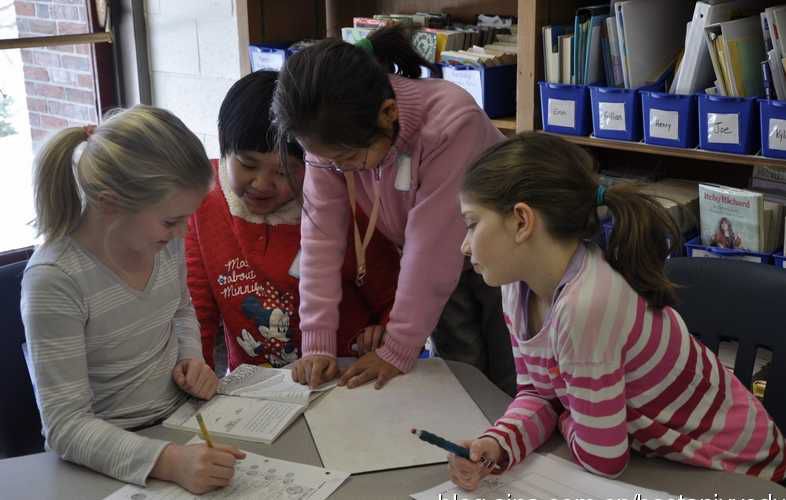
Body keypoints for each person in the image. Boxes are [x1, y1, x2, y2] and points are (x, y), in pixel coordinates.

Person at [449, 132, 786, 490]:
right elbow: (538, 395)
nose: (464, 246)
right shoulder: (515, 288)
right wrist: (499, 444)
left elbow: (603, 459)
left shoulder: (586, 307)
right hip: (663, 459)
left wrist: (562, 415)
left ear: (521, 221)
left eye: (472, 224)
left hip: (737, 469)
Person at [272, 25, 515, 392]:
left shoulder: (449, 123)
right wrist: (317, 343)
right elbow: (320, 240)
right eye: (328, 161)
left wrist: (397, 348)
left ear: (388, 113)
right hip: (440, 264)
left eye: (349, 159)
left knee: (510, 375)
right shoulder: (331, 142)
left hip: (508, 255)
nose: (340, 169)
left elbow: (431, 247)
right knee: (459, 376)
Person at [21, 106, 245, 494]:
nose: (181, 234)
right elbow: (65, 426)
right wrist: (168, 462)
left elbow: (180, 309)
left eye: (185, 220)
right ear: (111, 203)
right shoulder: (55, 281)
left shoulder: (161, 244)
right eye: (171, 221)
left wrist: (190, 358)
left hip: (176, 425)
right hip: (106, 456)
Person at [186, 70, 399, 372]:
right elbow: (198, 311)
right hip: (257, 390)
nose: (261, 183)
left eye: (284, 172)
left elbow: (393, 294)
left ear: (316, 163)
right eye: (247, 164)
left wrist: (385, 333)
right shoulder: (205, 200)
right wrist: (198, 375)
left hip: (341, 378)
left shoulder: (342, 206)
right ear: (223, 148)